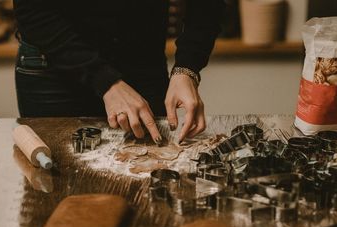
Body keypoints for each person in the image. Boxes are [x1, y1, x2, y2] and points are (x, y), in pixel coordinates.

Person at [13, 0, 224, 143]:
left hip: (141, 62)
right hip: (56, 67)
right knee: (55, 191)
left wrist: (187, 68)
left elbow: (207, 5)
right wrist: (105, 81)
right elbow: (33, 9)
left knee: (147, 184)